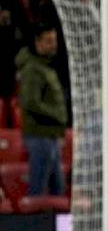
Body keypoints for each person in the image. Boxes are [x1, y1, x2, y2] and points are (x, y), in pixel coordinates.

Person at [16, 22, 67, 196]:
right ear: (37, 42)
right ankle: (32, 224)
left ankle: (60, 225)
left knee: (57, 189)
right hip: (39, 137)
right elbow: (30, 102)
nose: (53, 45)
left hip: (50, 136)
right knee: (39, 188)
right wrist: (58, 116)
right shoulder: (33, 69)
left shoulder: (45, 67)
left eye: (54, 40)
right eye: (48, 41)